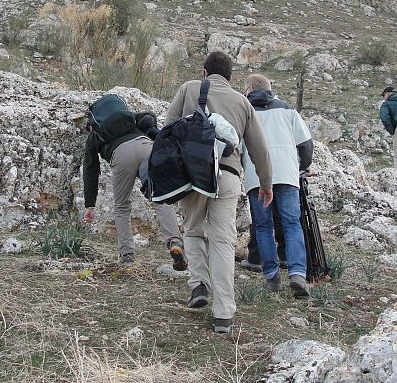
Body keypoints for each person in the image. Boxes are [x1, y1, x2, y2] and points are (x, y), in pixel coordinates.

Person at [166, 51, 273, 334]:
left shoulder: (188, 89)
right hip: (227, 175)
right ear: (230, 77)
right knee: (223, 240)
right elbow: (259, 149)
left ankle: (198, 283)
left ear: (204, 73)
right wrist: (266, 184)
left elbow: (167, 129)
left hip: (193, 174)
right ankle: (224, 313)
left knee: (192, 229)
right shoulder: (242, 101)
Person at [82, 104, 187, 269]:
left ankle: (127, 255)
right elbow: (149, 117)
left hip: (121, 155)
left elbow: (90, 170)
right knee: (160, 197)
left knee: (122, 206)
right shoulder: (129, 118)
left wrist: (90, 204)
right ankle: (175, 242)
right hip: (146, 147)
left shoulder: (95, 134)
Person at [242, 74, 313, 297]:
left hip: (257, 176)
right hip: (287, 174)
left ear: (249, 89)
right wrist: (302, 166)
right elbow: (306, 144)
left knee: (263, 227)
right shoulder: (288, 110)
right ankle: (298, 273)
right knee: (292, 223)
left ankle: (272, 277)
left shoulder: (245, 111)